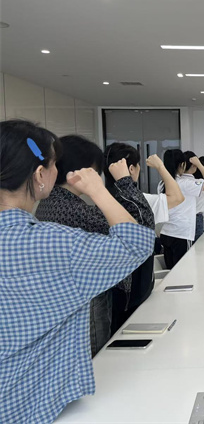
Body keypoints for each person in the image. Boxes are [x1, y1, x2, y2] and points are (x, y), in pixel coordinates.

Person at [0, 119, 154, 424]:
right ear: (39, 174)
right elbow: (138, 243)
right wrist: (99, 190)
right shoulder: (52, 242)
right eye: (53, 164)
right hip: (30, 400)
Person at [36, 135, 121, 355]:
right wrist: (112, 187)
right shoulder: (74, 208)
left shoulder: (50, 200)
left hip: (64, 297)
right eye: (94, 171)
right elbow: (131, 238)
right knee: (96, 354)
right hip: (87, 299)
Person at [104, 143, 184, 331]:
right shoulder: (139, 201)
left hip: (112, 294)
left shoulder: (101, 200)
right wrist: (160, 166)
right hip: (137, 291)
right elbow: (177, 197)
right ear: (131, 169)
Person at [182, 151, 204, 241]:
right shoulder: (193, 183)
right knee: (198, 246)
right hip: (195, 217)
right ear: (194, 165)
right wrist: (201, 166)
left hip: (184, 218)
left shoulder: (177, 181)